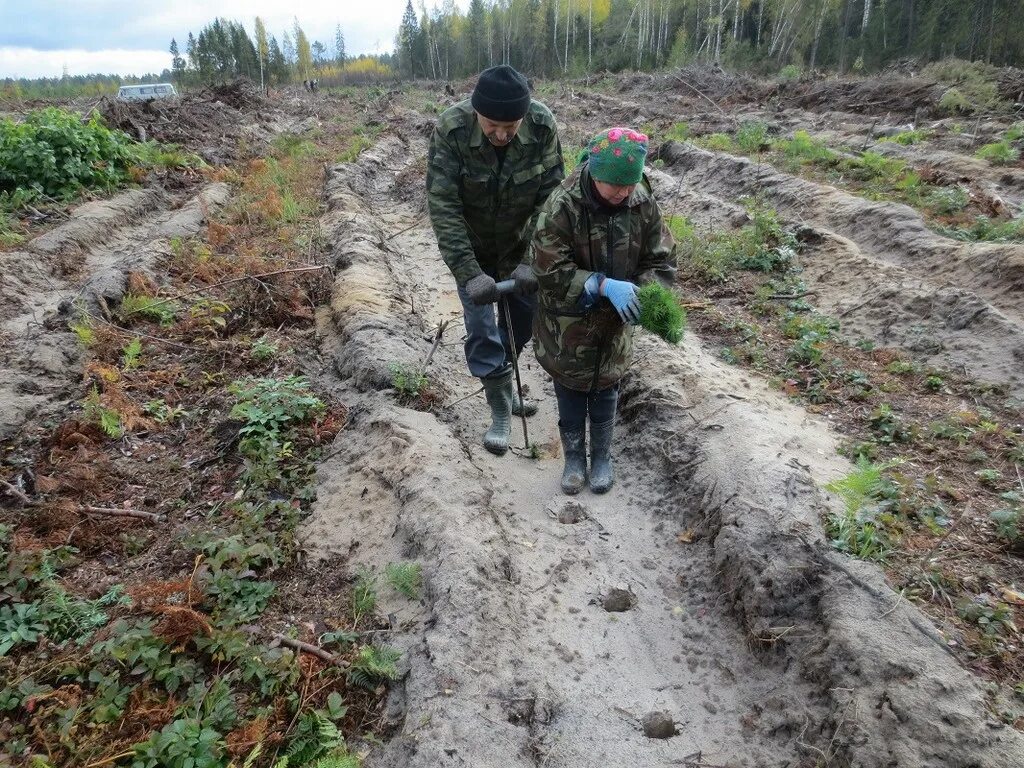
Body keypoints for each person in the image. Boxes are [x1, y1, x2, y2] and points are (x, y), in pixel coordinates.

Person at [427, 65, 565, 455]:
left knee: (521, 322)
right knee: (483, 329)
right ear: (476, 113)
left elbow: (552, 200)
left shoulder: (541, 126)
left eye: (511, 126)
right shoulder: (451, 130)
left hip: (521, 247)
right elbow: (444, 206)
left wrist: (533, 260)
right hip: (471, 249)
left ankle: (505, 378)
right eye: (492, 126)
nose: (502, 135)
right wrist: (469, 273)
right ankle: (500, 409)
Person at [531, 127, 677, 494]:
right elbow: (548, 270)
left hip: (614, 326)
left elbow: (660, 260)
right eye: (616, 186)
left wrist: (644, 291)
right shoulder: (563, 205)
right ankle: (575, 459)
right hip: (567, 327)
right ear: (595, 174)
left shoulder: (642, 201)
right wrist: (599, 285)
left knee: (607, 388)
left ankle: (602, 457)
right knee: (569, 389)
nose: (624, 192)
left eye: (629, 185)